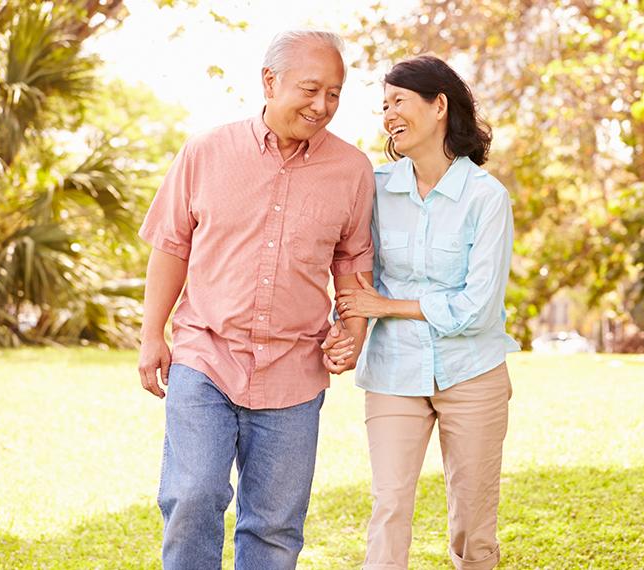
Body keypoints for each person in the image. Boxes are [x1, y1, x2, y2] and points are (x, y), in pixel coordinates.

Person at [136, 30, 374, 568]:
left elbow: (352, 262)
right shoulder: (206, 150)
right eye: (310, 90)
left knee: (274, 526)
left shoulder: (353, 170)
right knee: (193, 496)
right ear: (269, 81)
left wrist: (353, 332)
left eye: (334, 94)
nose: (322, 106)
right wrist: (153, 336)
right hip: (206, 355)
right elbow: (171, 246)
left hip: (295, 368)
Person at [322, 55, 518, 570]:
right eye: (384, 105)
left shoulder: (486, 197)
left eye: (399, 102)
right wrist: (346, 328)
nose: (388, 115)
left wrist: (386, 305)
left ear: (439, 106)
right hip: (392, 371)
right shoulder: (377, 188)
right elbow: (351, 268)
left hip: (472, 373)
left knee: (473, 525)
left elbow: (477, 309)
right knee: (388, 509)